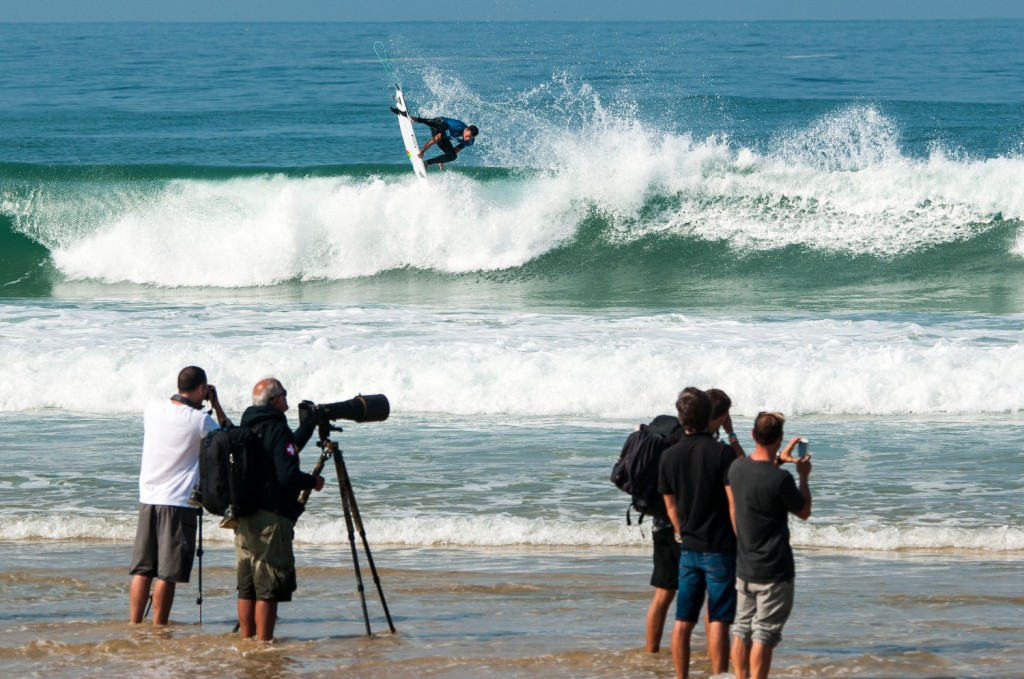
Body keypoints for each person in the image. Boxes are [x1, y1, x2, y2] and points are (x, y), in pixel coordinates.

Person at [129, 365, 230, 625]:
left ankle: (134, 624)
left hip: (148, 497)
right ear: (201, 389)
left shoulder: (152, 409)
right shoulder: (198, 420)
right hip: (177, 501)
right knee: (168, 573)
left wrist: (201, 402)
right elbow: (227, 438)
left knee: (143, 569)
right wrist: (216, 405)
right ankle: (159, 627)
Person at [658, 387, 740, 679]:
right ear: (708, 415)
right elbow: (732, 504)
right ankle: (719, 675)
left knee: (683, 620)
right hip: (720, 547)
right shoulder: (721, 454)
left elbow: (671, 510)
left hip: (688, 549)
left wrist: (682, 534)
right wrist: (740, 538)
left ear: (682, 418)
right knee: (718, 619)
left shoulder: (668, 457)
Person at [234, 377, 324, 641]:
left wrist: (306, 429)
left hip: (245, 515)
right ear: (275, 400)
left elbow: (284, 453)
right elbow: (287, 474)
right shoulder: (277, 429)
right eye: (284, 394)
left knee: (247, 586)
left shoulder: (249, 427)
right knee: (269, 587)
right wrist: (313, 481)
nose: (287, 398)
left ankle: (247, 642)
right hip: (271, 517)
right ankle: (264, 645)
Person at [726, 412, 812, 679]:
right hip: (774, 568)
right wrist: (803, 476)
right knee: (764, 633)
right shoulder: (781, 480)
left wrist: (778, 461)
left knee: (741, 628)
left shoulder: (737, 469)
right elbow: (804, 511)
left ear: (753, 435)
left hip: (745, 565)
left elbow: (759, 475)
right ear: (780, 438)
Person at [391, 107, 479, 168]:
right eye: (467, 136)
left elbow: (457, 149)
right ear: (466, 129)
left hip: (443, 136)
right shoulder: (456, 127)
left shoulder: (469, 142)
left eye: (470, 138)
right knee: (441, 124)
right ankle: (415, 119)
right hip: (437, 125)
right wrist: (423, 151)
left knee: (452, 156)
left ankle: (426, 163)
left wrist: (444, 159)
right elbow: (438, 136)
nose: (467, 138)